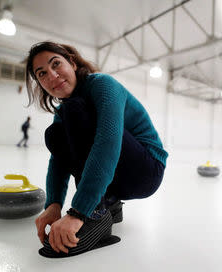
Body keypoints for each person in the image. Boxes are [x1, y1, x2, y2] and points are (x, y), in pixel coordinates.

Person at [25, 42, 168, 257]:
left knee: (74, 111)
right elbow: (59, 160)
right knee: (54, 133)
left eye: (56, 64)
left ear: (72, 63)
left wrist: (78, 213)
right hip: (120, 175)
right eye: (42, 73)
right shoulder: (64, 109)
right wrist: (53, 204)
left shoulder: (102, 85)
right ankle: (109, 203)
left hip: (146, 171)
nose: (52, 76)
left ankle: (95, 212)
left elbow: (107, 143)